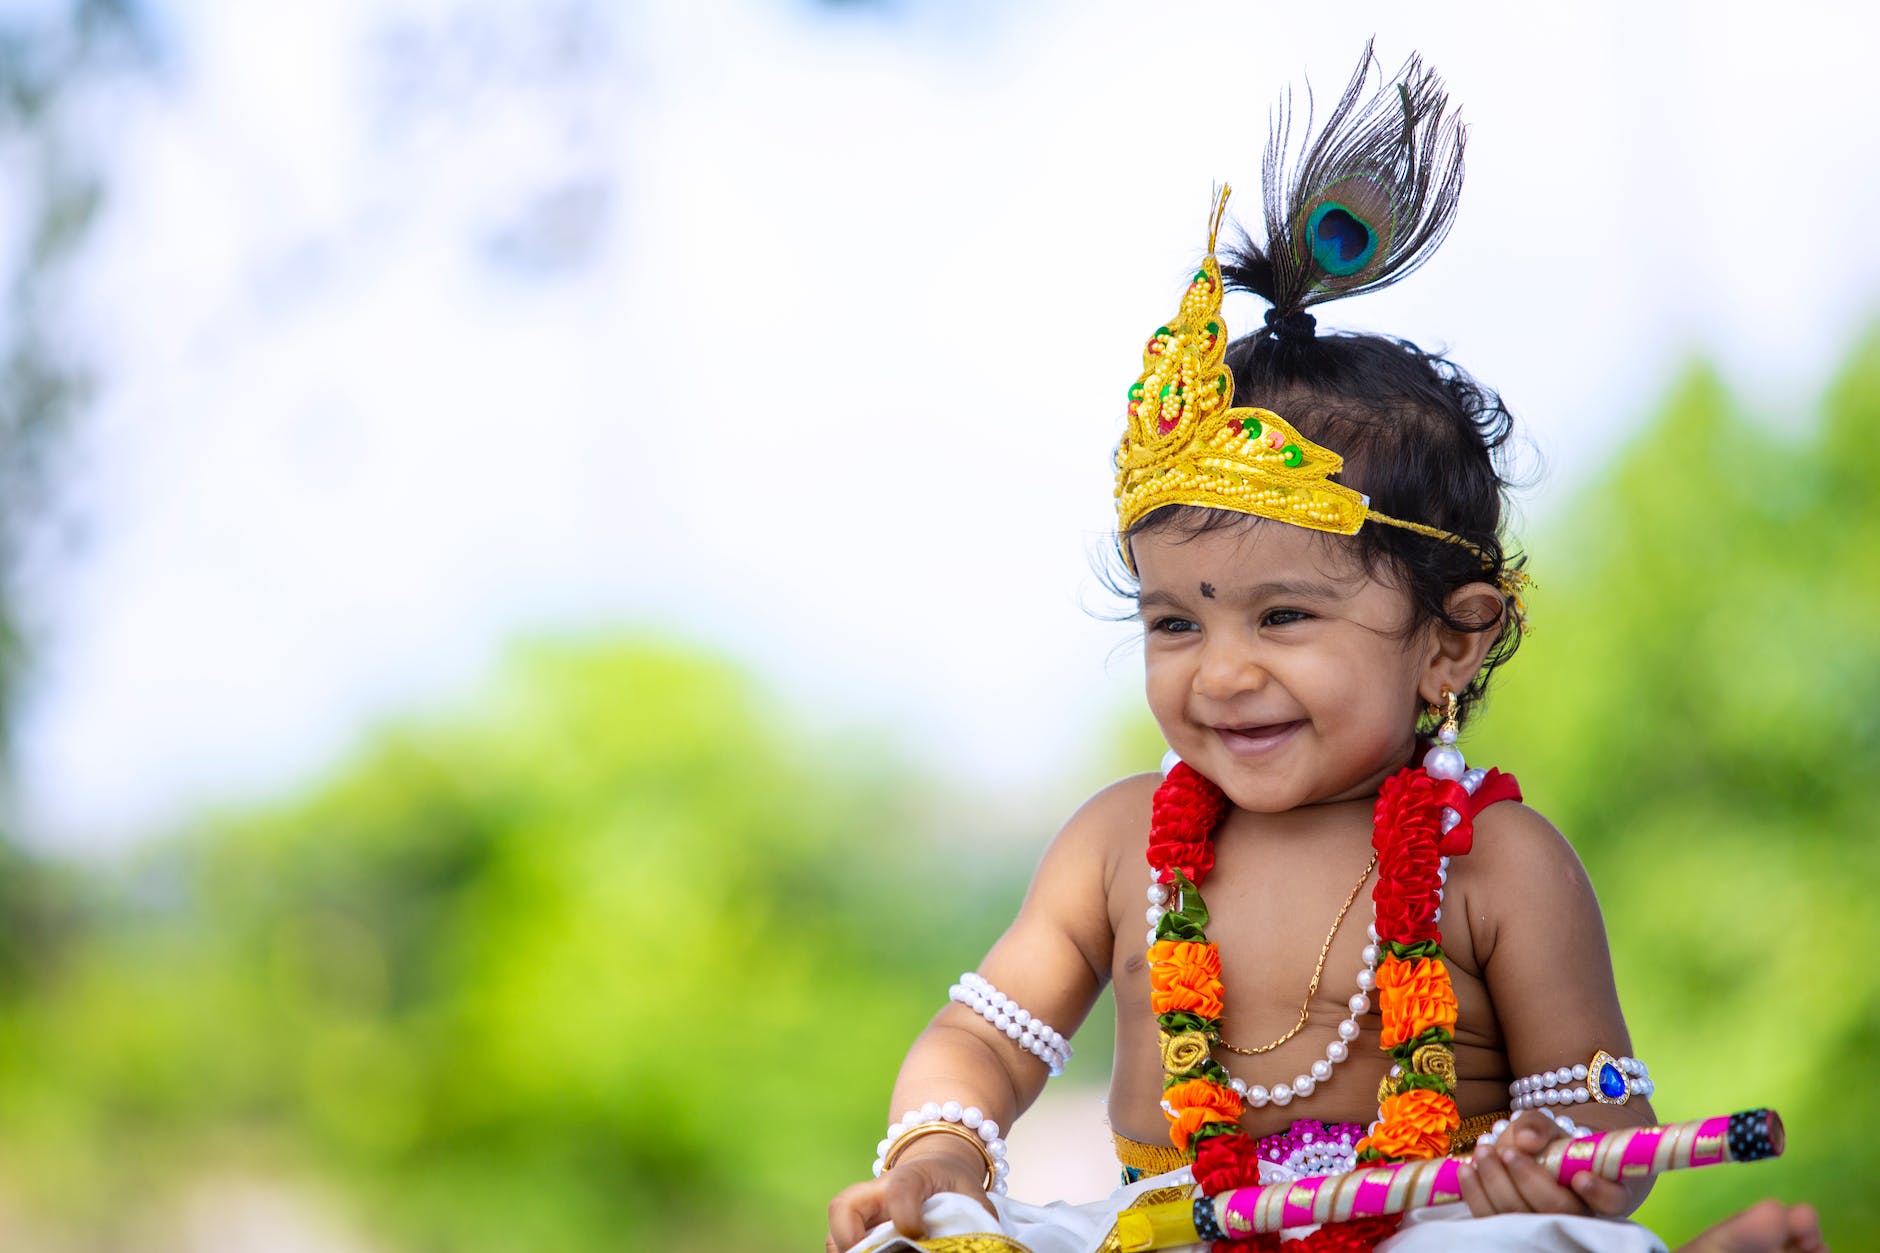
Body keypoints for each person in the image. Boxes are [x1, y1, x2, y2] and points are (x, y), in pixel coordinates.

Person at [826, 46, 1827, 1253]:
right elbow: (981, 1037)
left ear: (1450, 639)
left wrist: (1554, 1168)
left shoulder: (1500, 863)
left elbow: (1604, 1121)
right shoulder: (1114, 844)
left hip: (1428, 1225)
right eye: (1174, 621)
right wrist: (940, 1146)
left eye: (1282, 617)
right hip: (1172, 1228)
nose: (1220, 671)